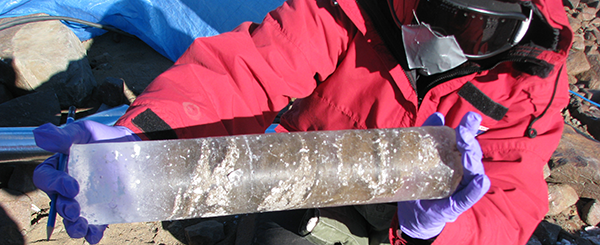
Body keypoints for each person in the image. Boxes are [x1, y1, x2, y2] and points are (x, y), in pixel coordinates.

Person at [32, 0, 573, 244]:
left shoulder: (534, 75)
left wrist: (441, 228)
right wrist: (144, 137)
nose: (447, 41)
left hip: (423, 226)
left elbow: (513, 198)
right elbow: (246, 70)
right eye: (436, 13)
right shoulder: (350, 8)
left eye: (479, 29)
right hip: (311, 185)